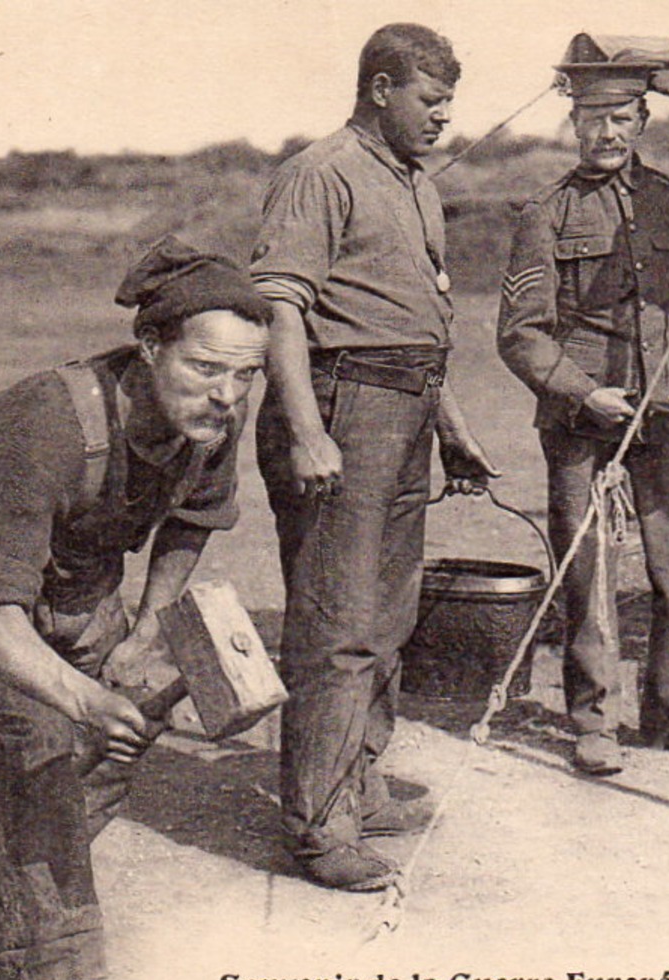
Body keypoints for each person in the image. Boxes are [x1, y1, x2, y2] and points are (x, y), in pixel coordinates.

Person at [0, 239, 271, 980]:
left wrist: (144, 632)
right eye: (208, 368)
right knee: (35, 751)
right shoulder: (44, 423)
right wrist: (82, 695)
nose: (229, 394)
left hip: (68, 585)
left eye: (247, 375)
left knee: (119, 734)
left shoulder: (209, 417)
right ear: (149, 347)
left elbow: (194, 520)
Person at [251, 23, 497, 891]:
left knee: (385, 620)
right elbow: (280, 309)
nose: (443, 118)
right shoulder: (321, 172)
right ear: (381, 87)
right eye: (431, 101)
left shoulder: (414, 183)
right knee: (336, 625)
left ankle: (360, 782)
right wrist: (308, 432)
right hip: (340, 409)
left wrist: (452, 425)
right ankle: (319, 829)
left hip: (405, 405)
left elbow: (420, 326)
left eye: (448, 102)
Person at [496, 61, 669, 777]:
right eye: (591, 120)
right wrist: (581, 393)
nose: (605, 133)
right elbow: (521, 333)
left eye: (619, 120)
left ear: (642, 122)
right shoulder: (545, 213)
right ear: (572, 124)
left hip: (665, 412)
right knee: (588, 571)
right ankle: (593, 722)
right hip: (582, 422)